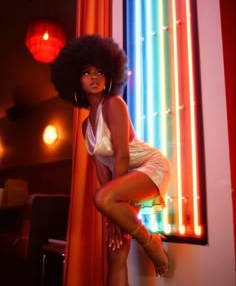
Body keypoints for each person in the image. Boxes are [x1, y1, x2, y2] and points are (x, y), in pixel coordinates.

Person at [51, 34, 171, 286]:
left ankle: (151, 243)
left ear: (109, 77)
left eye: (99, 72)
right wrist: (114, 217)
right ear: (75, 79)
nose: (94, 77)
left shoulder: (114, 104)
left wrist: (114, 206)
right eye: (86, 72)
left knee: (101, 197)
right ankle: (141, 238)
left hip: (147, 167)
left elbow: (123, 156)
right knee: (114, 253)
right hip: (121, 180)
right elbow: (101, 169)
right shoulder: (85, 127)